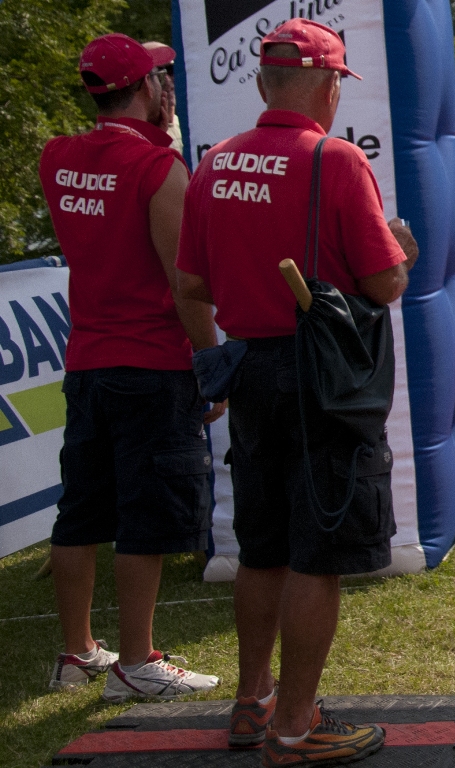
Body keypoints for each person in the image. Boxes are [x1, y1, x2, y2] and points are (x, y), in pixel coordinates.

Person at [176, 18, 417, 766]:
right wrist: (399, 251)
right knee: (317, 553)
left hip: (248, 369)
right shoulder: (334, 160)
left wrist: (215, 364)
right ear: (326, 84)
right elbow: (382, 285)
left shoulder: (214, 163)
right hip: (321, 381)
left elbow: (190, 284)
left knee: (263, 547)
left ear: (261, 83)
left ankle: (251, 702)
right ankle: (294, 725)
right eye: (339, 85)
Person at [39, 34, 222, 700]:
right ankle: (138, 662)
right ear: (147, 88)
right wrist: (212, 361)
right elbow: (183, 282)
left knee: (81, 510)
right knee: (146, 514)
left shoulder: (57, 156)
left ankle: (77, 652)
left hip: (88, 359)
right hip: (150, 364)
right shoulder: (156, 168)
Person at [143, 41, 183, 154]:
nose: (167, 80)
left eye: (171, 71)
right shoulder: (138, 137)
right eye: (157, 72)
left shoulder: (189, 127)